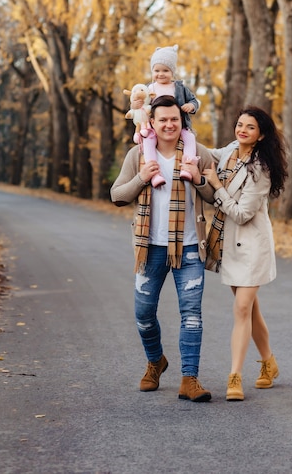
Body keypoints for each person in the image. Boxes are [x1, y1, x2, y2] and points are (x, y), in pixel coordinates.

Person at [110, 95, 214, 402]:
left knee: (192, 314)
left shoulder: (198, 153)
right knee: (143, 315)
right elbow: (117, 195)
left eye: (174, 119)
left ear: (181, 122)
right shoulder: (138, 155)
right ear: (152, 123)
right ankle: (156, 361)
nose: (169, 124)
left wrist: (199, 178)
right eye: (163, 119)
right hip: (150, 248)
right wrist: (142, 178)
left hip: (190, 248)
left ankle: (189, 380)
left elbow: (213, 194)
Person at [203, 106, 288, 401]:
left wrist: (215, 185)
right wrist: (180, 132)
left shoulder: (261, 168)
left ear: (261, 134)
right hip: (230, 245)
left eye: (250, 127)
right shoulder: (231, 151)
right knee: (251, 310)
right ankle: (269, 362)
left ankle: (234, 377)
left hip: (251, 246)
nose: (242, 130)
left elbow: (241, 214)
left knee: (241, 309)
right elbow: (208, 152)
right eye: (240, 124)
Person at [131, 44, 200, 187]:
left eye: (165, 70)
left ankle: (187, 166)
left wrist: (191, 106)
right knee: (148, 143)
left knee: (190, 138)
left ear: (172, 72)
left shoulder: (179, 88)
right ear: (152, 71)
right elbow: (139, 105)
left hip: (177, 124)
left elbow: (194, 100)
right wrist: (135, 106)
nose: (160, 74)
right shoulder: (149, 88)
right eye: (156, 70)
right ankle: (154, 173)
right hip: (153, 126)